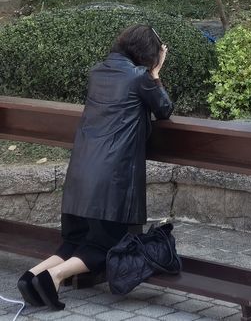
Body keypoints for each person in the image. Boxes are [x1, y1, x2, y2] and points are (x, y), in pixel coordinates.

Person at [17, 25, 173, 311]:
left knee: (75, 240)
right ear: (148, 54)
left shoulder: (97, 72)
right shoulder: (140, 77)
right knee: (108, 246)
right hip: (109, 180)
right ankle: (54, 276)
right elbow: (164, 109)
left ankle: (31, 277)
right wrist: (156, 72)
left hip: (80, 173)